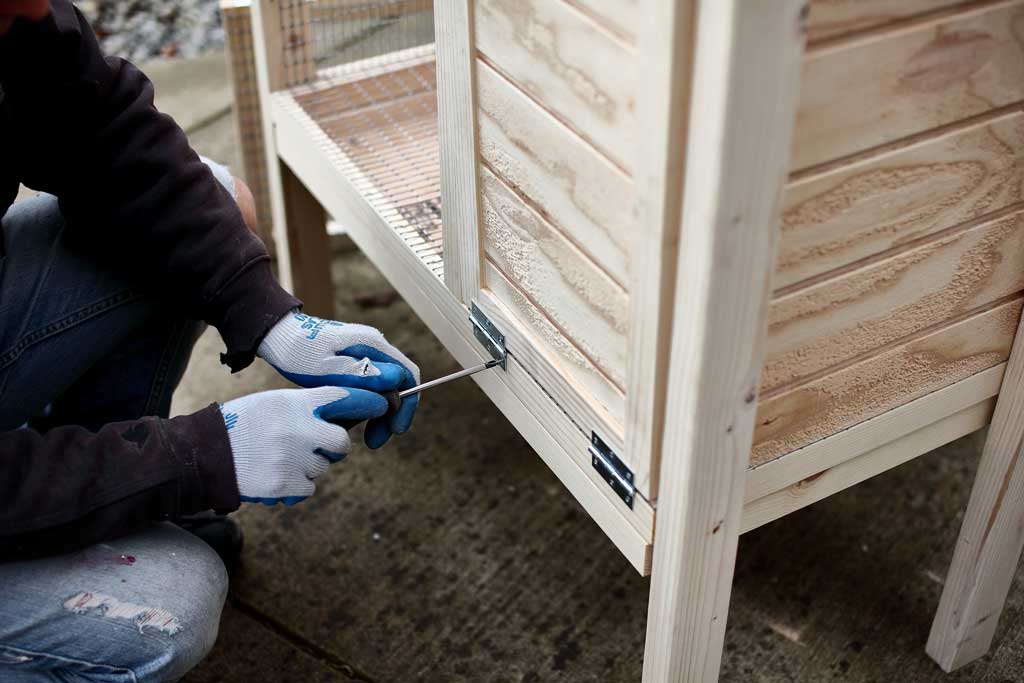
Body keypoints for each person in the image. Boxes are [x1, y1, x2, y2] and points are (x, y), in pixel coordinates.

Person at [0, 1, 420, 680]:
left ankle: (96, 511)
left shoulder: (17, 16)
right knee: (169, 610)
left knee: (209, 205)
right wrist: (195, 458)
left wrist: (267, 315)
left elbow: (106, 133)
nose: (38, 6)